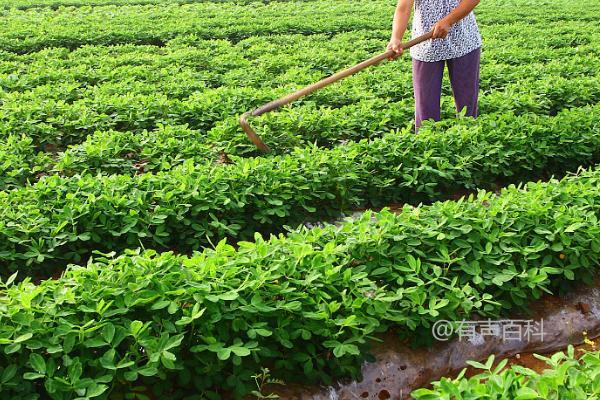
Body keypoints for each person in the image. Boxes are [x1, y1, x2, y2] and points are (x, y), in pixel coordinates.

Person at [387, 0, 482, 130]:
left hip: (464, 40)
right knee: (425, 107)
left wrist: (449, 20)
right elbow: (404, 7)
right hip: (425, 45)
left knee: (467, 104)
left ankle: (468, 140)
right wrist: (396, 38)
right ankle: (427, 143)